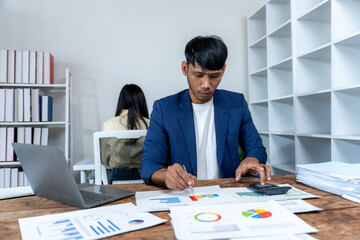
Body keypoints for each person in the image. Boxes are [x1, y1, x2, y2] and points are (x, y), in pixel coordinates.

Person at [140, 35, 271, 191]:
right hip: (186, 194)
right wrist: (166, 176)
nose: (206, 85)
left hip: (227, 192)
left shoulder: (236, 104)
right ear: (184, 69)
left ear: (223, 70)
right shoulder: (164, 109)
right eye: (198, 75)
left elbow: (256, 148)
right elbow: (149, 165)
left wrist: (251, 159)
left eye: (214, 76)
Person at [102, 84, 149, 183]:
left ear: (121, 101)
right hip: (145, 176)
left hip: (118, 178)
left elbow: (105, 159)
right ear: (141, 102)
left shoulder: (108, 124)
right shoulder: (151, 124)